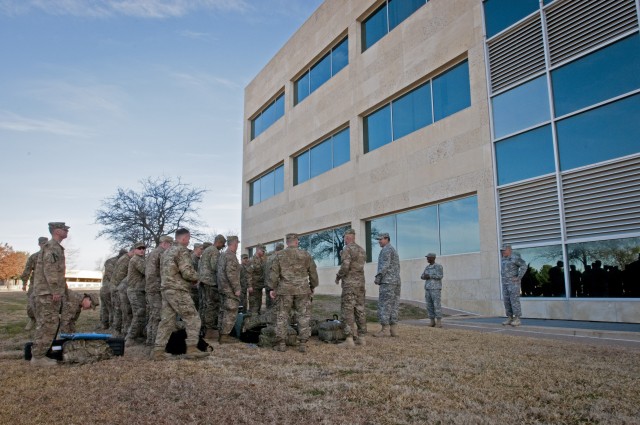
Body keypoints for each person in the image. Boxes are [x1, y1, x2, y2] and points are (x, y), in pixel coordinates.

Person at [152, 228, 208, 360]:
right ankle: (192, 348)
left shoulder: (166, 252)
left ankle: (158, 351)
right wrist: (197, 278)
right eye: (188, 238)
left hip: (166, 290)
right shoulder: (182, 250)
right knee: (193, 318)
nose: (189, 241)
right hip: (177, 290)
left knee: (167, 321)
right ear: (184, 238)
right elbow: (187, 272)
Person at [269, 233, 318, 353]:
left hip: (285, 290)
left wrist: (272, 288)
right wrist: (312, 286)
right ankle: (302, 343)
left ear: (287, 242)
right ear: (297, 242)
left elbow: (274, 274)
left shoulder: (279, 255)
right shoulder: (305, 254)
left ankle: (281, 344)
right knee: (303, 316)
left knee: (282, 316)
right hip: (302, 290)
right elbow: (313, 272)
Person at [31, 222, 69, 367]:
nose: (67, 231)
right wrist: (55, 291)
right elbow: (51, 270)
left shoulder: (53, 247)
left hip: (46, 292)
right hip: (47, 293)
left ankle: (39, 354)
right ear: (57, 231)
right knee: (48, 323)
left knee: (46, 323)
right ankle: (38, 357)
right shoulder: (53, 247)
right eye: (64, 229)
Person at [335, 229, 367, 348]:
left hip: (350, 285)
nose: (344, 240)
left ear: (347, 238)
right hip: (360, 285)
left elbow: (345, 266)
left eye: (345, 238)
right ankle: (362, 338)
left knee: (347, 310)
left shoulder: (347, 249)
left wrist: (338, 276)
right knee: (360, 309)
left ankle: (349, 340)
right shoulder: (362, 250)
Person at [145, 235, 173, 346]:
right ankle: (155, 343)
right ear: (165, 243)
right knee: (157, 315)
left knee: (153, 315)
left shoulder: (153, 253)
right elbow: (160, 272)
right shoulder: (161, 253)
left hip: (151, 287)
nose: (170, 247)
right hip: (156, 288)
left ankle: (150, 340)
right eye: (170, 245)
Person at [373, 232, 401, 338]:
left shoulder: (386, 250)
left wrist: (378, 277)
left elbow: (384, 266)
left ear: (387, 239)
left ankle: (385, 329)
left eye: (381, 239)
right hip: (396, 281)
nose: (379, 241)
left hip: (387, 282)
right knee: (394, 305)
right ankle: (394, 330)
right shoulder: (393, 249)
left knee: (384, 305)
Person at [199, 234, 226, 339]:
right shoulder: (214, 251)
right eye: (222, 245)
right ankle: (209, 329)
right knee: (212, 306)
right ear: (219, 242)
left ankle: (203, 328)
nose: (222, 247)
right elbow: (215, 267)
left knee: (204, 306)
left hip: (203, 281)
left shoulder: (207, 250)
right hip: (210, 282)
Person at [217, 236, 242, 344]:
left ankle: (221, 333)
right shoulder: (230, 256)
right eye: (237, 244)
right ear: (234, 244)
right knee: (231, 311)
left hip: (222, 287)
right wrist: (236, 288)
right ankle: (225, 336)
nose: (237, 246)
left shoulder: (223, 255)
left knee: (223, 310)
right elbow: (231, 273)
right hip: (229, 289)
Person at [20, 236, 47, 331]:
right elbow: (27, 270)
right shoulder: (34, 257)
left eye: (46, 243)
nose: (44, 245)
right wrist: (24, 283)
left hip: (49, 284)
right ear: (39, 244)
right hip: (35, 283)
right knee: (32, 303)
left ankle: (46, 322)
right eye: (42, 243)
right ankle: (32, 319)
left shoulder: (53, 256)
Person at [125, 242, 146, 346]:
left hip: (138, 290)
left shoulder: (141, 259)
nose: (142, 250)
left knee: (140, 313)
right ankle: (130, 338)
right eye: (139, 248)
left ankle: (137, 336)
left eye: (143, 248)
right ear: (135, 250)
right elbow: (146, 270)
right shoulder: (136, 259)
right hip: (135, 290)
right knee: (138, 314)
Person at [500, 244, 527, 327]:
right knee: (507, 301)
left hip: (513, 284)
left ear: (509, 250)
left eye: (504, 250)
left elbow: (524, 266)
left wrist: (519, 277)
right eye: (502, 250)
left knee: (514, 301)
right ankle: (510, 318)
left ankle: (517, 319)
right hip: (505, 284)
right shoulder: (503, 259)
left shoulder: (515, 258)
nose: (503, 251)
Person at [100, 249, 126, 331]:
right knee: (111, 308)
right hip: (109, 287)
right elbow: (110, 275)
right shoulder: (112, 261)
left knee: (106, 307)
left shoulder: (113, 261)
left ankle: (105, 324)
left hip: (108, 286)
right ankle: (109, 325)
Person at [420, 253, 444, 328]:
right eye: (427, 257)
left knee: (436, 305)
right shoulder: (427, 267)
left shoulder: (438, 266)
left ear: (433, 258)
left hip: (435, 289)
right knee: (429, 305)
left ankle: (439, 322)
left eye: (428, 257)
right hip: (428, 288)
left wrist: (430, 276)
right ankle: (432, 321)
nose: (427, 259)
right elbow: (422, 276)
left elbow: (440, 276)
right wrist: (424, 276)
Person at [264, 242, 284, 310]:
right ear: (281, 249)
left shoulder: (269, 258)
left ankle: (267, 315)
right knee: (275, 302)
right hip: (274, 283)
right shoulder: (277, 257)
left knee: (268, 301)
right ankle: (273, 317)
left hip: (267, 282)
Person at [248, 244, 266, 314]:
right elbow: (249, 274)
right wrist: (249, 286)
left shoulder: (261, 260)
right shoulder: (252, 260)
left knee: (258, 303)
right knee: (253, 305)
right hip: (254, 286)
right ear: (258, 250)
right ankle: (251, 321)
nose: (264, 253)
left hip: (259, 286)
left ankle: (256, 320)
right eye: (263, 251)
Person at [190, 243, 203, 309]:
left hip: (197, 286)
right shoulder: (192, 258)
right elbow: (190, 272)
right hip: (192, 286)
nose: (202, 251)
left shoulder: (198, 259)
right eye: (201, 249)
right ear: (196, 249)